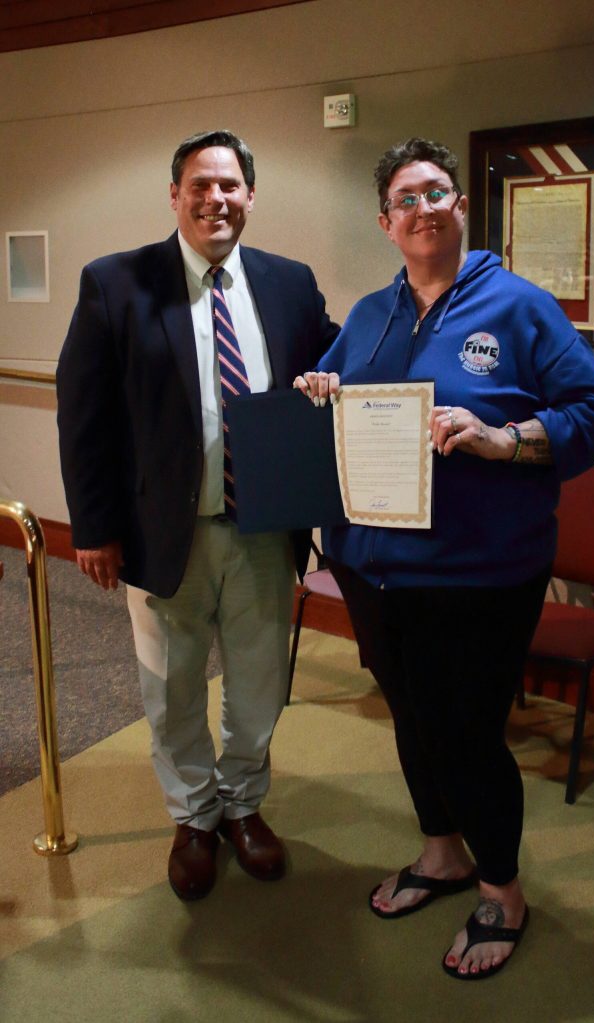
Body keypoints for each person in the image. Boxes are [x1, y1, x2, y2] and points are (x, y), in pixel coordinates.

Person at [295, 137, 594, 979]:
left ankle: (503, 889)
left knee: (468, 736)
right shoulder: (370, 313)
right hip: (372, 569)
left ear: (461, 206)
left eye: (436, 191)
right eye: (405, 199)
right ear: (386, 222)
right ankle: (441, 852)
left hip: (479, 575)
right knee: (411, 718)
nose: (422, 208)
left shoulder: (518, 307)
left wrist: (505, 438)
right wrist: (318, 390)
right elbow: (332, 396)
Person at [57, 129, 338, 901]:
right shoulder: (116, 283)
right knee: (172, 686)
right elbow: (83, 416)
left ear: (250, 195)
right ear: (175, 196)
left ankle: (244, 805)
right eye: (200, 185)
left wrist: (333, 378)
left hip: (264, 531)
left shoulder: (289, 283)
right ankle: (193, 815)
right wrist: (92, 527)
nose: (216, 198)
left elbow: (334, 362)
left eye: (231, 185)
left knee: (256, 684)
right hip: (160, 534)